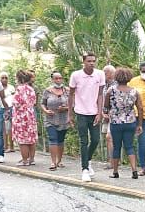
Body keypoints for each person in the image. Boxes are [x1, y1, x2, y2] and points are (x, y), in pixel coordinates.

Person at [68, 53, 106, 182]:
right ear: (83, 62)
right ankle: (84, 169)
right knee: (84, 141)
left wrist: (99, 112)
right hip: (81, 112)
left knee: (95, 139)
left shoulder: (100, 74)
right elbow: (71, 94)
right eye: (89, 61)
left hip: (94, 111)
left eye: (94, 61)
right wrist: (70, 113)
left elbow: (100, 95)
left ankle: (88, 159)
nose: (92, 63)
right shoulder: (76, 75)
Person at [104, 67, 142, 179]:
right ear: (129, 78)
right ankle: (134, 170)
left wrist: (108, 112)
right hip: (130, 121)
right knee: (129, 146)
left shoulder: (111, 90)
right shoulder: (134, 91)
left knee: (116, 147)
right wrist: (139, 124)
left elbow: (106, 106)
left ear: (116, 77)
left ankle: (115, 172)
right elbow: (140, 108)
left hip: (116, 122)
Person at [43, 70, 71, 170]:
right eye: (56, 78)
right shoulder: (47, 91)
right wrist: (45, 110)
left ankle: (59, 161)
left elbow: (73, 104)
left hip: (63, 119)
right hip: (50, 119)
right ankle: (53, 162)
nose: (58, 80)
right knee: (52, 139)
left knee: (60, 140)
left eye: (60, 78)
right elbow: (42, 103)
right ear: (52, 79)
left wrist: (66, 108)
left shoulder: (67, 90)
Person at [11, 70, 39, 166]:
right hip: (30, 114)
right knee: (31, 138)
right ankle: (32, 159)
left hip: (21, 116)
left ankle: (24, 160)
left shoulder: (19, 89)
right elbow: (34, 102)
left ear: (20, 79)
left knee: (23, 140)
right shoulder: (31, 89)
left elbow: (16, 103)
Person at [101, 64, 117, 168]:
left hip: (115, 115)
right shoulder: (103, 85)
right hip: (105, 115)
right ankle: (111, 161)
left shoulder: (117, 85)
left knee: (110, 137)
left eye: (105, 73)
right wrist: (102, 113)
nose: (103, 75)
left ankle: (113, 162)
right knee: (108, 138)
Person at [0, 72, 17, 152]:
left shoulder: (11, 87)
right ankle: (5, 146)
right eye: (2, 78)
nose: (4, 79)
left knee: (10, 128)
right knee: (3, 128)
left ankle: (11, 147)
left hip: (10, 108)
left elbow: (15, 97)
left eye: (6, 78)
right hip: (1, 108)